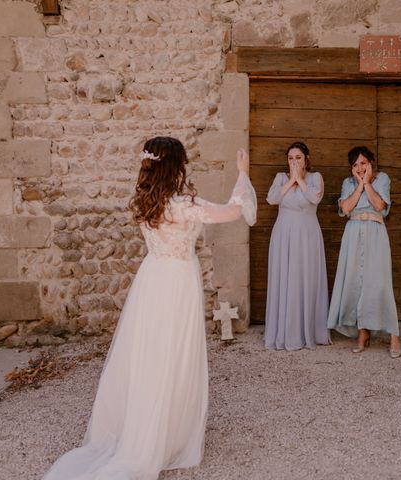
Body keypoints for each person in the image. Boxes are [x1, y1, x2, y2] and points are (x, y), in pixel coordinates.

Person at [43, 137, 256, 480]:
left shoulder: (145, 202)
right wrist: (242, 175)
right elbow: (234, 210)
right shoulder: (183, 205)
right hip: (177, 284)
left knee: (148, 355)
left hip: (152, 278)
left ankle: (145, 427)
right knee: (173, 356)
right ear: (176, 166)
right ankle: (163, 436)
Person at [327, 146, 401, 358]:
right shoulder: (347, 183)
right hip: (353, 233)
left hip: (376, 232)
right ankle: (363, 333)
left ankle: (394, 335)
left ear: (371, 163)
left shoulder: (382, 179)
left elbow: (379, 205)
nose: (360, 168)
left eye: (363, 163)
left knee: (380, 283)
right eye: (355, 165)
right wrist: (359, 185)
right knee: (356, 283)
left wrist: (367, 182)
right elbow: (347, 208)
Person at [264, 141, 330, 350]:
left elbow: (314, 198)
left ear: (306, 159)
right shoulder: (280, 178)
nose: (294, 161)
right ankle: (284, 331)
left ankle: (308, 330)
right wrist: (289, 180)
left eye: (298, 158)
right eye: (291, 158)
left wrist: (299, 180)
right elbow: (271, 199)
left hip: (307, 234)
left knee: (306, 277)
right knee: (285, 276)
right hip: (284, 233)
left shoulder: (315, 178)